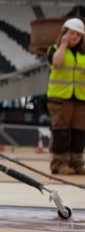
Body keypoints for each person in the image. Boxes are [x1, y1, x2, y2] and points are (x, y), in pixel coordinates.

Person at [46, 17, 85, 175]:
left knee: (79, 133)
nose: (74, 37)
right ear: (64, 34)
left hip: (81, 99)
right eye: (71, 33)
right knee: (61, 132)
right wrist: (63, 44)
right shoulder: (54, 49)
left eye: (78, 35)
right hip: (60, 99)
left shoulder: (83, 55)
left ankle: (77, 163)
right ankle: (59, 164)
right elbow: (56, 63)